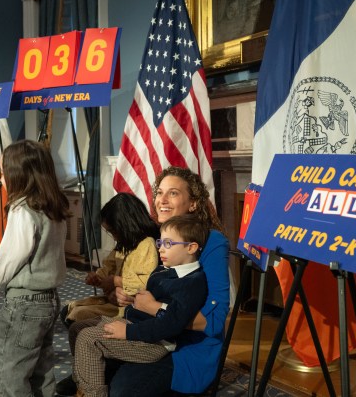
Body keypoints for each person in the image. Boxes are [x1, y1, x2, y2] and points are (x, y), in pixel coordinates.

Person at [56, 166, 230, 397]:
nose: (162, 200)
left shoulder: (212, 241)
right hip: (148, 329)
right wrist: (124, 297)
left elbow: (214, 320)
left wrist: (153, 308)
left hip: (185, 345)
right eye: (159, 192)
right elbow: (149, 288)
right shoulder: (160, 237)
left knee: (121, 390)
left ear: (193, 203)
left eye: (173, 193)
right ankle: (87, 376)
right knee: (81, 330)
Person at [73, 215, 209, 397]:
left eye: (168, 244)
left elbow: (171, 323)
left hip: (154, 343)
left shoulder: (192, 282)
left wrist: (126, 332)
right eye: (160, 242)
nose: (160, 248)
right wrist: (131, 301)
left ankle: (93, 393)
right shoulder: (164, 270)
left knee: (88, 338)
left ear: (191, 247)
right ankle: (86, 382)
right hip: (134, 326)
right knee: (77, 327)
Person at [0, 140, 70, 397]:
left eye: (3, 170)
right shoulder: (53, 206)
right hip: (48, 300)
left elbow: (13, 256)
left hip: (25, 303)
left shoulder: (22, 209)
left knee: (4, 373)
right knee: (40, 371)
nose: (1, 177)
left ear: (18, 173)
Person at [61, 193, 159, 326]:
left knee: (76, 318)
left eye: (113, 231)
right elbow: (108, 267)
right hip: (113, 302)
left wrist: (116, 281)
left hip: (129, 308)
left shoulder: (147, 244)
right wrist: (98, 278)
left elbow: (147, 282)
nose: (113, 237)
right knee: (68, 310)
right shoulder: (124, 244)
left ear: (126, 226)